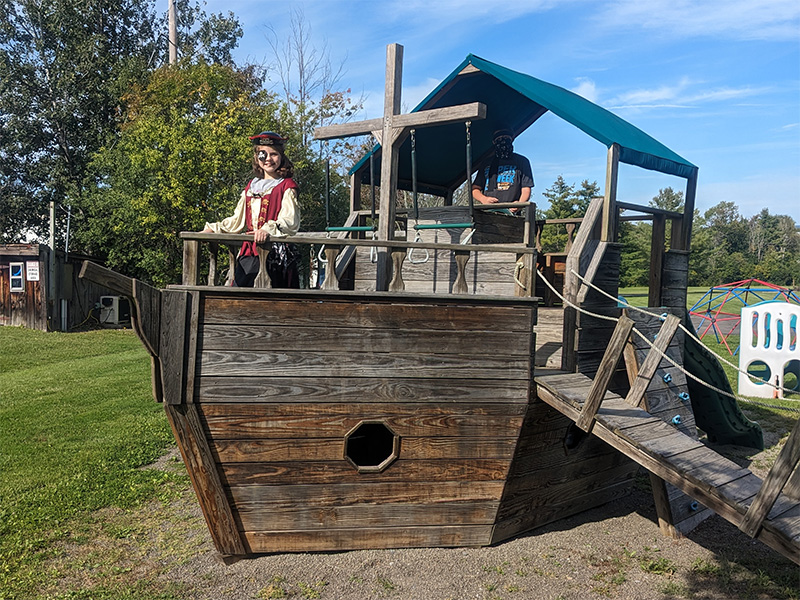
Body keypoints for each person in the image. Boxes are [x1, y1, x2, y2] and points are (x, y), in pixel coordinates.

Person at [202, 131, 301, 288]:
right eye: (263, 154)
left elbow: (289, 221)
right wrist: (213, 229)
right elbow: (237, 220)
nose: (268, 159)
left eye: (274, 154)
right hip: (249, 252)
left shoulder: (287, 187)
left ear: (281, 156)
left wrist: (267, 230)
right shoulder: (251, 187)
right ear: (257, 157)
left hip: (275, 255)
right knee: (240, 296)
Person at [471, 128, 533, 214]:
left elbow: (526, 188)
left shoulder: (522, 161)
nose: (503, 141)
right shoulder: (486, 163)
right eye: (499, 138)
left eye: (506, 138)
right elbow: (475, 189)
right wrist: (483, 199)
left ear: (512, 139)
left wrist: (520, 204)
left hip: (512, 214)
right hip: (487, 214)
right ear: (494, 142)